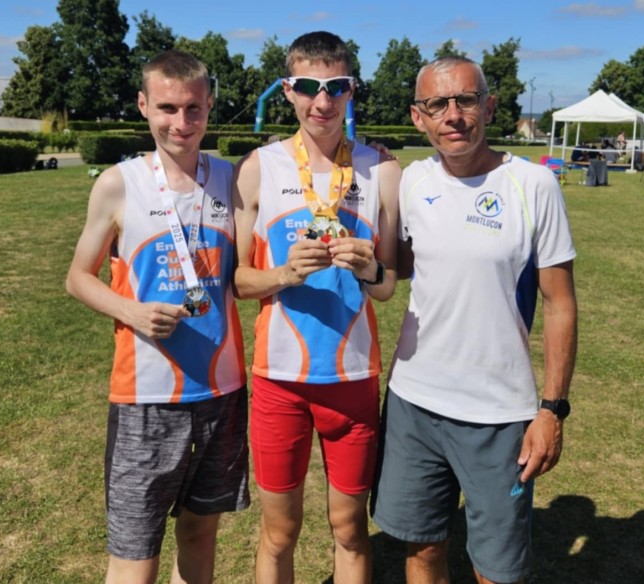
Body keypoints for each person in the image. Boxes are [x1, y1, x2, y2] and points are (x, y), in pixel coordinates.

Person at [371, 56, 578, 584]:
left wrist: (552, 410)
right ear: (418, 116)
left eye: (465, 100)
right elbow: (409, 265)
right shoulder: (413, 180)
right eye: (436, 104)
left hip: (499, 414)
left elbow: (560, 303)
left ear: (488, 107)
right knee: (422, 550)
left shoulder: (533, 184)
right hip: (414, 402)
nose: (453, 115)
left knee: (496, 571)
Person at [65, 50, 249, 584]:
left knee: (200, 534)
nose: (181, 123)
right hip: (146, 395)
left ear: (209, 106)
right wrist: (132, 311)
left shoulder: (232, 179)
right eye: (167, 108)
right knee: (134, 554)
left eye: (194, 108)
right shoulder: (118, 184)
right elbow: (77, 277)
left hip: (221, 391)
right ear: (144, 105)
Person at [233, 31, 400, 584]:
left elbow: (386, 287)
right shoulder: (258, 168)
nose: (321, 101)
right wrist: (284, 274)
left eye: (335, 87)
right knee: (279, 532)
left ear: (351, 90)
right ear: (288, 90)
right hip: (279, 382)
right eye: (307, 86)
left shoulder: (382, 171)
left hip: (352, 379)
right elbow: (237, 281)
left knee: (350, 529)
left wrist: (369, 268)